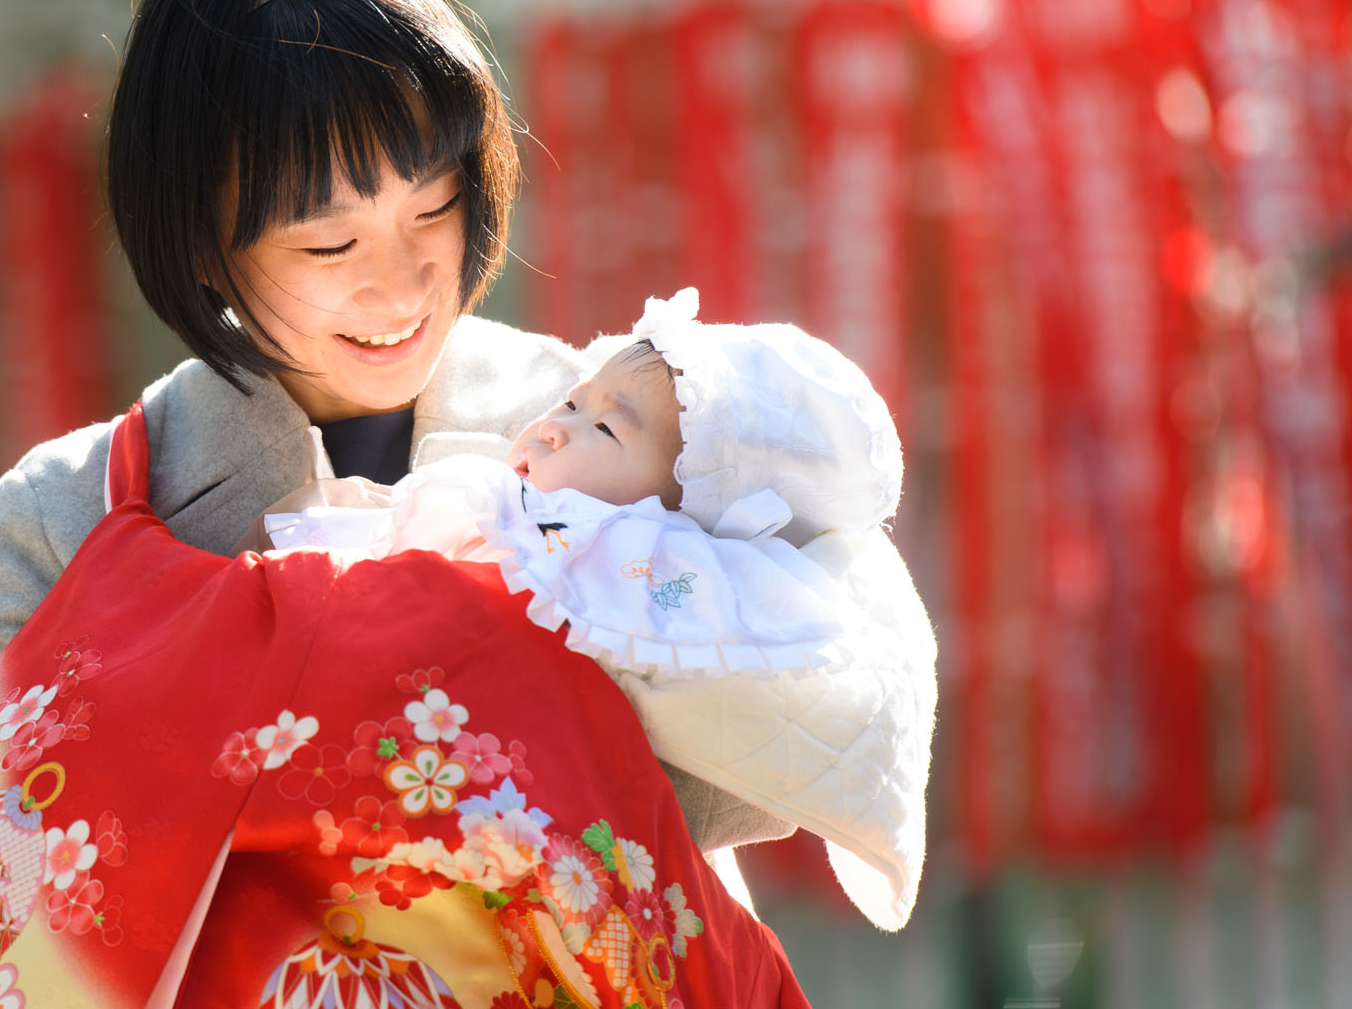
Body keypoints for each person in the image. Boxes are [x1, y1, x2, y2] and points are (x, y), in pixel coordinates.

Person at [0, 0, 799, 849]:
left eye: (434, 208)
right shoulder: (69, 518)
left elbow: (791, 757)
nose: (401, 285)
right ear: (202, 246)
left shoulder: (620, 425)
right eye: (330, 242)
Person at [261, 288, 937, 931]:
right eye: (573, 401)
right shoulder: (513, 508)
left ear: (684, 517)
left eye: (606, 429)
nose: (556, 427)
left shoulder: (633, 574)